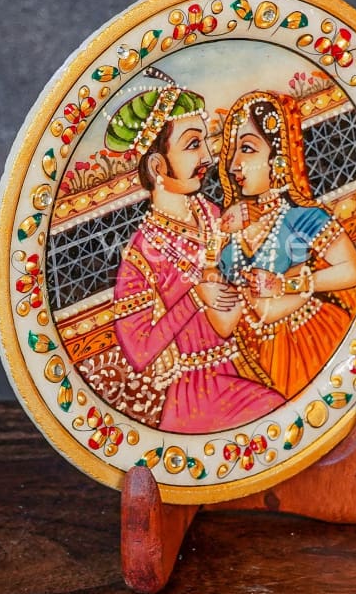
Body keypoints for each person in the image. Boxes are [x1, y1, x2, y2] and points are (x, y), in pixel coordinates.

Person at [105, 67, 283, 434]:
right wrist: (195, 299)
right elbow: (139, 353)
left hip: (245, 366)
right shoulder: (141, 256)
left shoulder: (214, 216)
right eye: (192, 145)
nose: (208, 156)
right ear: (158, 166)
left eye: (204, 142)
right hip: (197, 398)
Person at [218, 91, 356, 400]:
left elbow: (353, 271)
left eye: (247, 149)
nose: (234, 165)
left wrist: (284, 284)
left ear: (279, 159)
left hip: (306, 346)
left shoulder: (300, 217)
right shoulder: (231, 229)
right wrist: (218, 234)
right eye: (232, 152)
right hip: (250, 358)